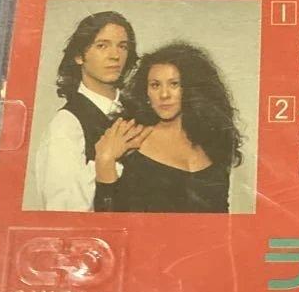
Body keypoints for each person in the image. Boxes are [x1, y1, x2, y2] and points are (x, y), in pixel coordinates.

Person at [93, 43, 243, 213]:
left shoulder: (214, 143)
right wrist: (104, 162)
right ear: (146, 91)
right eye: (155, 85)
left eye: (174, 84)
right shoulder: (130, 137)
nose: (164, 95)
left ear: (192, 88)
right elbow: (108, 219)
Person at [33, 11, 138, 211]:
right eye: (102, 46)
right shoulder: (67, 124)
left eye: (122, 46)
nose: (115, 55)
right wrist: (106, 160)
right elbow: (62, 210)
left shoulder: (139, 110)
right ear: (79, 56)